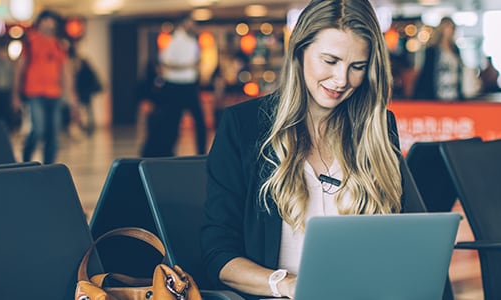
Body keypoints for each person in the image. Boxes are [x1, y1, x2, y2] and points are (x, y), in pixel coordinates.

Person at [201, 0, 407, 299]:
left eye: (357, 67)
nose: (342, 80)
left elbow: (397, 240)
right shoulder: (245, 126)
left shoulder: (378, 127)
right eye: (330, 60)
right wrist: (285, 284)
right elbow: (217, 255)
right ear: (299, 51)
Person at [12, 10, 77, 164]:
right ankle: (26, 159)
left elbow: (65, 72)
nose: (49, 23)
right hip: (34, 93)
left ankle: (49, 166)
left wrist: (72, 96)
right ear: (40, 22)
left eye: (52, 20)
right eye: (46, 19)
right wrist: (15, 95)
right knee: (38, 130)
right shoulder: (30, 41)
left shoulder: (59, 44)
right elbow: (19, 69)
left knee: (53, 134)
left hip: (55, 94)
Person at [159, 15, 207, 155]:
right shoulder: (174, 41)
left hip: (190, 85)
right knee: (173, 123)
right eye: (191, 23)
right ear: (184, 23)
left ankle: (201, 152)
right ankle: (168, 152)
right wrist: (188, 66)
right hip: (176, 86)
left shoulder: (192, 41)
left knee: (199, 122)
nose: (194, 26)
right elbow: (165, 63)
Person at [413, 17, 464, 101]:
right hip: (438, 92)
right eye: (448, 27)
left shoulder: (455, 50)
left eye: (452, 27)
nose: (451, 30)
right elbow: (427, 72)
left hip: (454, 92)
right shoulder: (433, 50)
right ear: (442, 29)